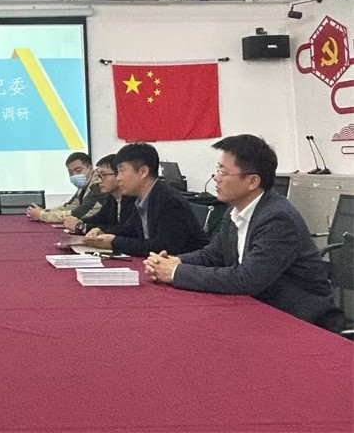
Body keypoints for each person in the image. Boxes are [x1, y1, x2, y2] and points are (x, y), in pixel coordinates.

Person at [143, 135, 346, 332]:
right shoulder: (236, 211)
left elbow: (247, 280)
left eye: (223, 172)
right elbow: (213, 255)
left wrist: (175, 273)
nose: (216, 178)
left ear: (252, 181)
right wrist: (174, 261)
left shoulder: (277, 219)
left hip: (303, 323)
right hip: (259, 311)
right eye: (217, 170)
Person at [83, 143, 209, 257]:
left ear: (143, 172)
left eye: (121, 171)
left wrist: (114, 242)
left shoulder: (169, 200)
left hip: (186, 267)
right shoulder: (142, 198)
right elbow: (129, 229)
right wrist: (103, 233)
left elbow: (162, 247)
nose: (118, 178)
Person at [62, 154, 137, 235]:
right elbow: (99, 218)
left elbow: (124, 230)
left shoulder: (132, 199)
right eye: (98, 176)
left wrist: (82, 227)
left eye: (104, 175)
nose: (99, 180)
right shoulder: (111, 197)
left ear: (119, 174)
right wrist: (79, 223)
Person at [26, 152, 106, 223]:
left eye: (78, 171)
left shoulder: (99, 185)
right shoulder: (84, 185)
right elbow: (69, 206)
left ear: (90, 168)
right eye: (70, 172)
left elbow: (78, 214)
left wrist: (42, 215)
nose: (74, 175)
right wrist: (44, 211)